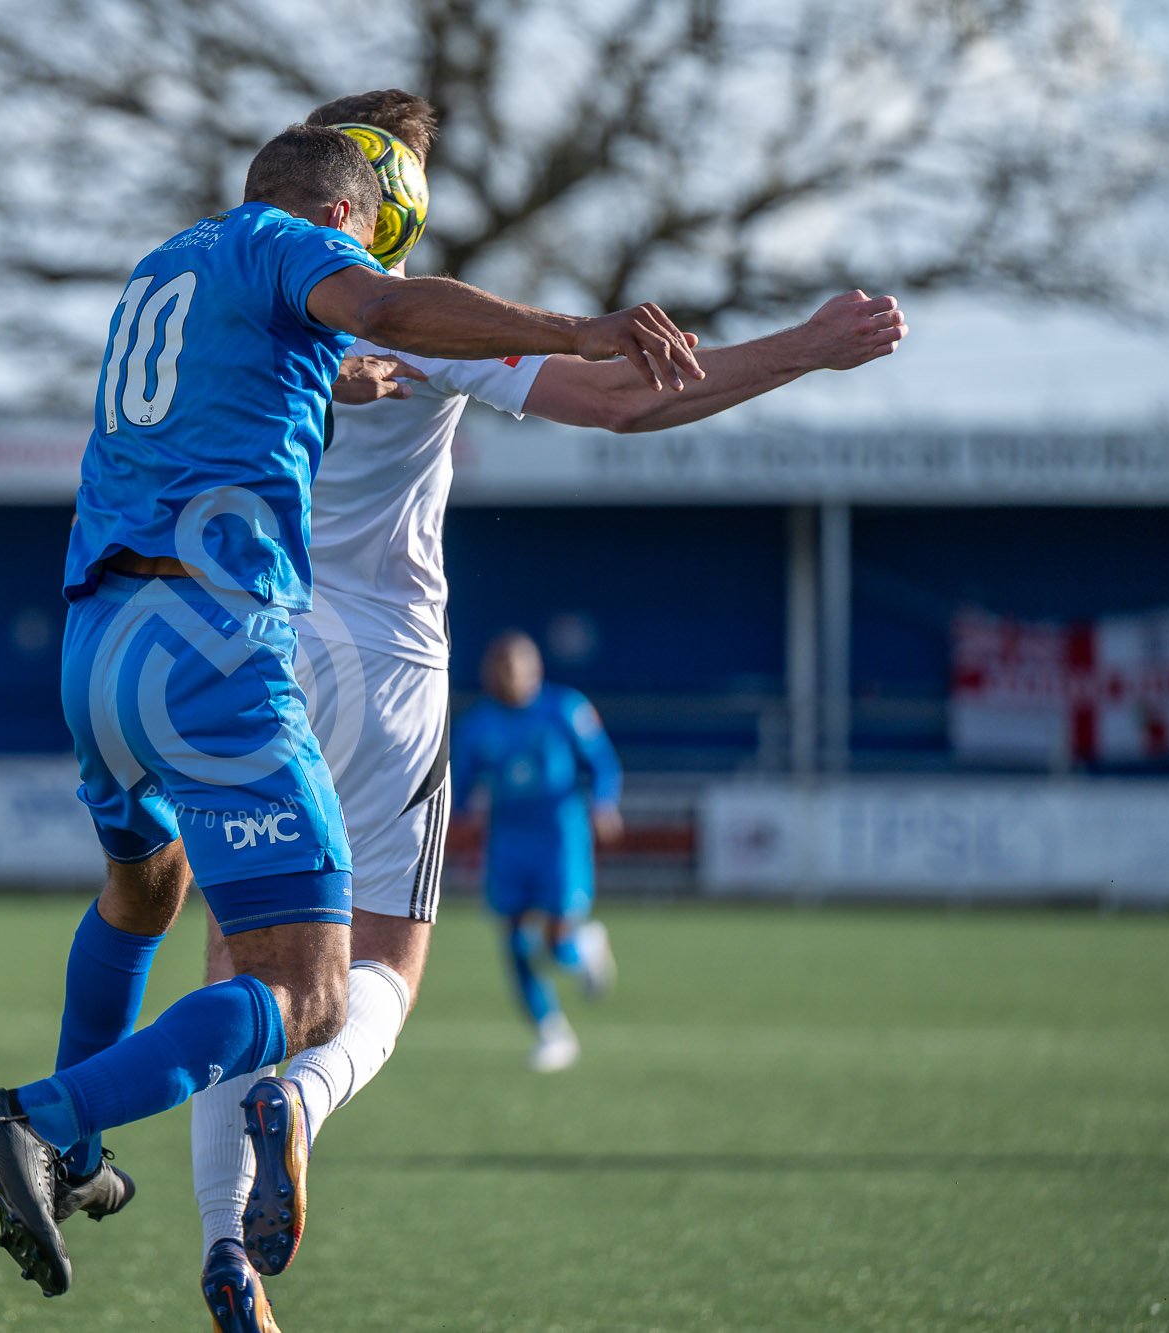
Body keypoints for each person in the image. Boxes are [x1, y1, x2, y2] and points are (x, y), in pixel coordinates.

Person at [0, 123, 706, 1303]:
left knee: (145, 887)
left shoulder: (169, 265)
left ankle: (80, 1159)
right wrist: (573, 326)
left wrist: (338, 372)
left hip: (95, 642)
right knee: (312, 994)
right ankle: (39, 1119)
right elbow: (386, 310)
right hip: (211, 645)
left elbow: (264, 371)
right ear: (347, 219)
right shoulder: (294, 247)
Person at [185, 90, 909, 1330]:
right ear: (377, 197)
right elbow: (632, 402)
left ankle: (221, 1252)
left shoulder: (215, 296)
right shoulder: (427, 316)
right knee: (382, 977)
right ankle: (300, 1106)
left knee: (235, 972)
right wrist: (800, 345)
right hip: (387, 668)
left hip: (240, 650)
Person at [454, 632, 624, 1070]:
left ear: (536, 669)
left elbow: (602, 763)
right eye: (502, 668)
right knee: (513, 938)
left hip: (560, 837)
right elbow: (459, 784)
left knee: (557, 940)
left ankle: (586, 945)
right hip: (509, 841)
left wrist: (604, 804)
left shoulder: (565, 708)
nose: (511, 676)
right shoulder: (479, 724)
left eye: (518, 666)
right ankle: (552, 1033)